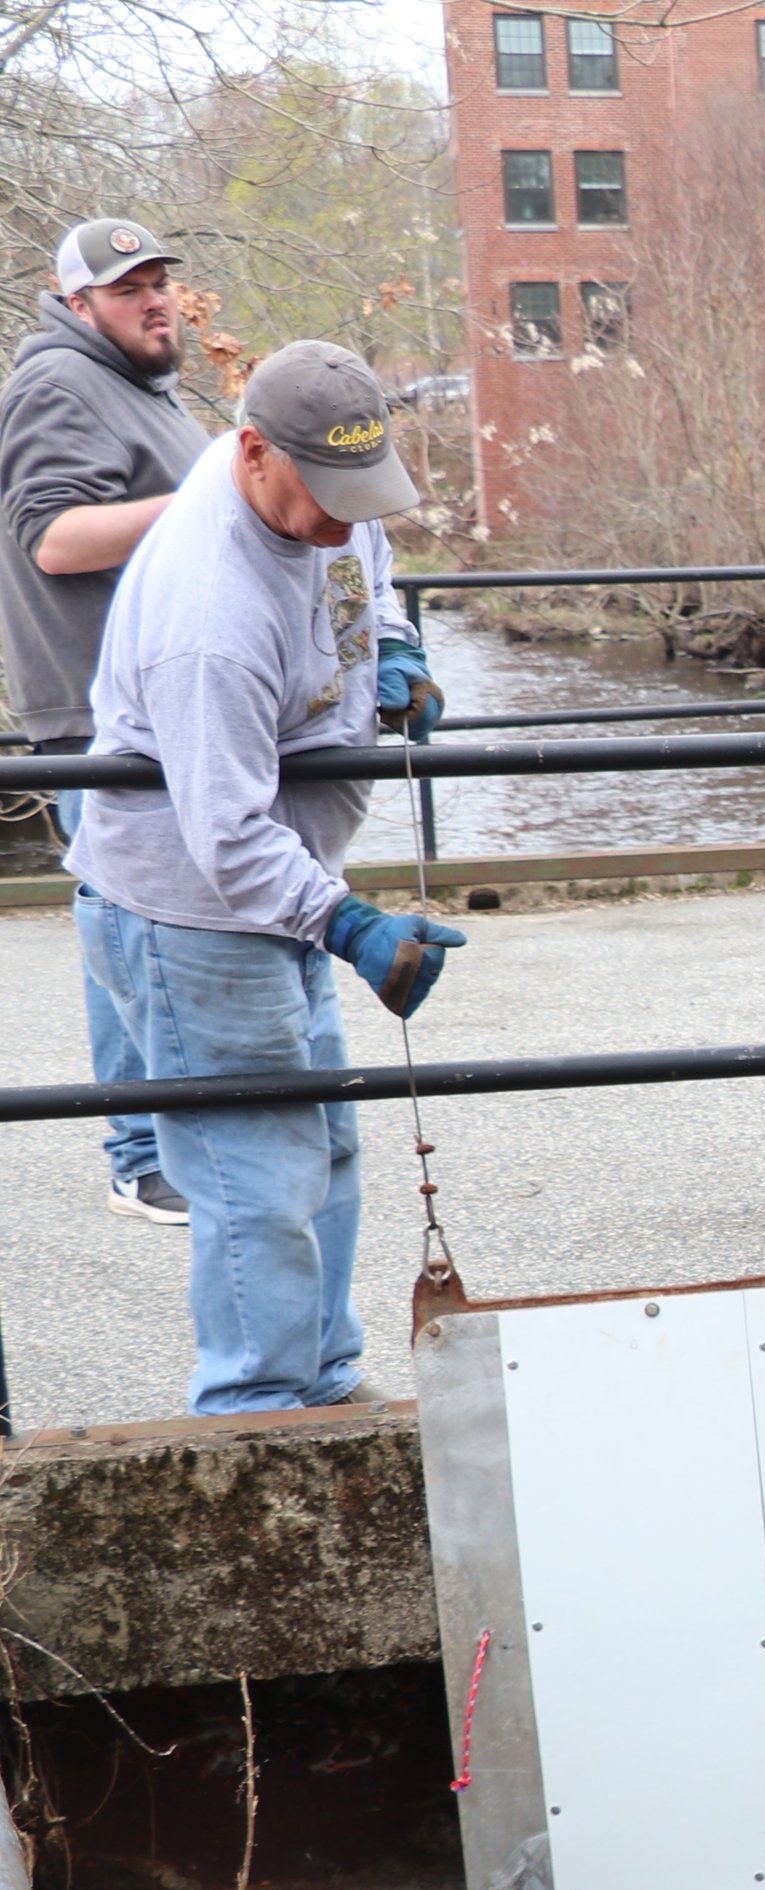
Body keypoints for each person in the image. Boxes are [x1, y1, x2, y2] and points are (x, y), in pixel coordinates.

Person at [66, 339, 463, 1415]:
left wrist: (393, 649)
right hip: (191, 910)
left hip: (273, 897)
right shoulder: (210, 616)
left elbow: (363, 563)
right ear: (252, 453)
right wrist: (349, 924)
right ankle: (251, 1415)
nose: (346, 515)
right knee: (255, 1180)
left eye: (361, 490)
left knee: (321, 1145)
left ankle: (322, 1386)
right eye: (327, 496)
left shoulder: (326, 491)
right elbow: (226, 832)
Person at [0, 218, 210, 1223]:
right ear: (76, 303)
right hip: (99, 717)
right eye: (130, 289)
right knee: (124, 925)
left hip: (157, 708)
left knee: (151, 923)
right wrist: (209, 499)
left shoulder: (135, 390)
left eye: (162, 281)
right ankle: (139, 1149)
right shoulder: (57, 386)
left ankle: (175, 1130)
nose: (156, 299)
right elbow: (55, 539)